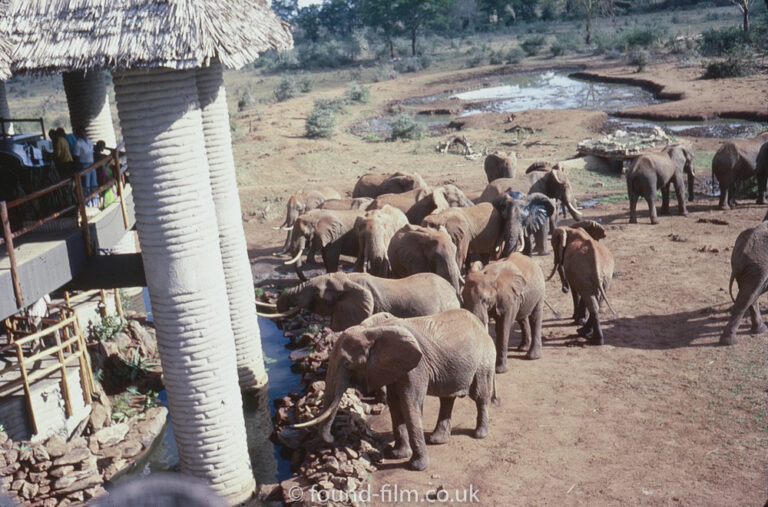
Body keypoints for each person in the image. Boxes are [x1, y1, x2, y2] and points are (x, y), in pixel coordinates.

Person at [72, 126, 97, 207]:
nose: (82, 134)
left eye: (83, 132)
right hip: (84, 165)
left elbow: (92, 153)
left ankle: (95, 202)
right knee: (86, 185)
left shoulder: (90, 141)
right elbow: (76, 157)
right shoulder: (78, 143)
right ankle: (87, 204)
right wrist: (80, 170)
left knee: (94, 183)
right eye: (79, 133)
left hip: (92, 164)